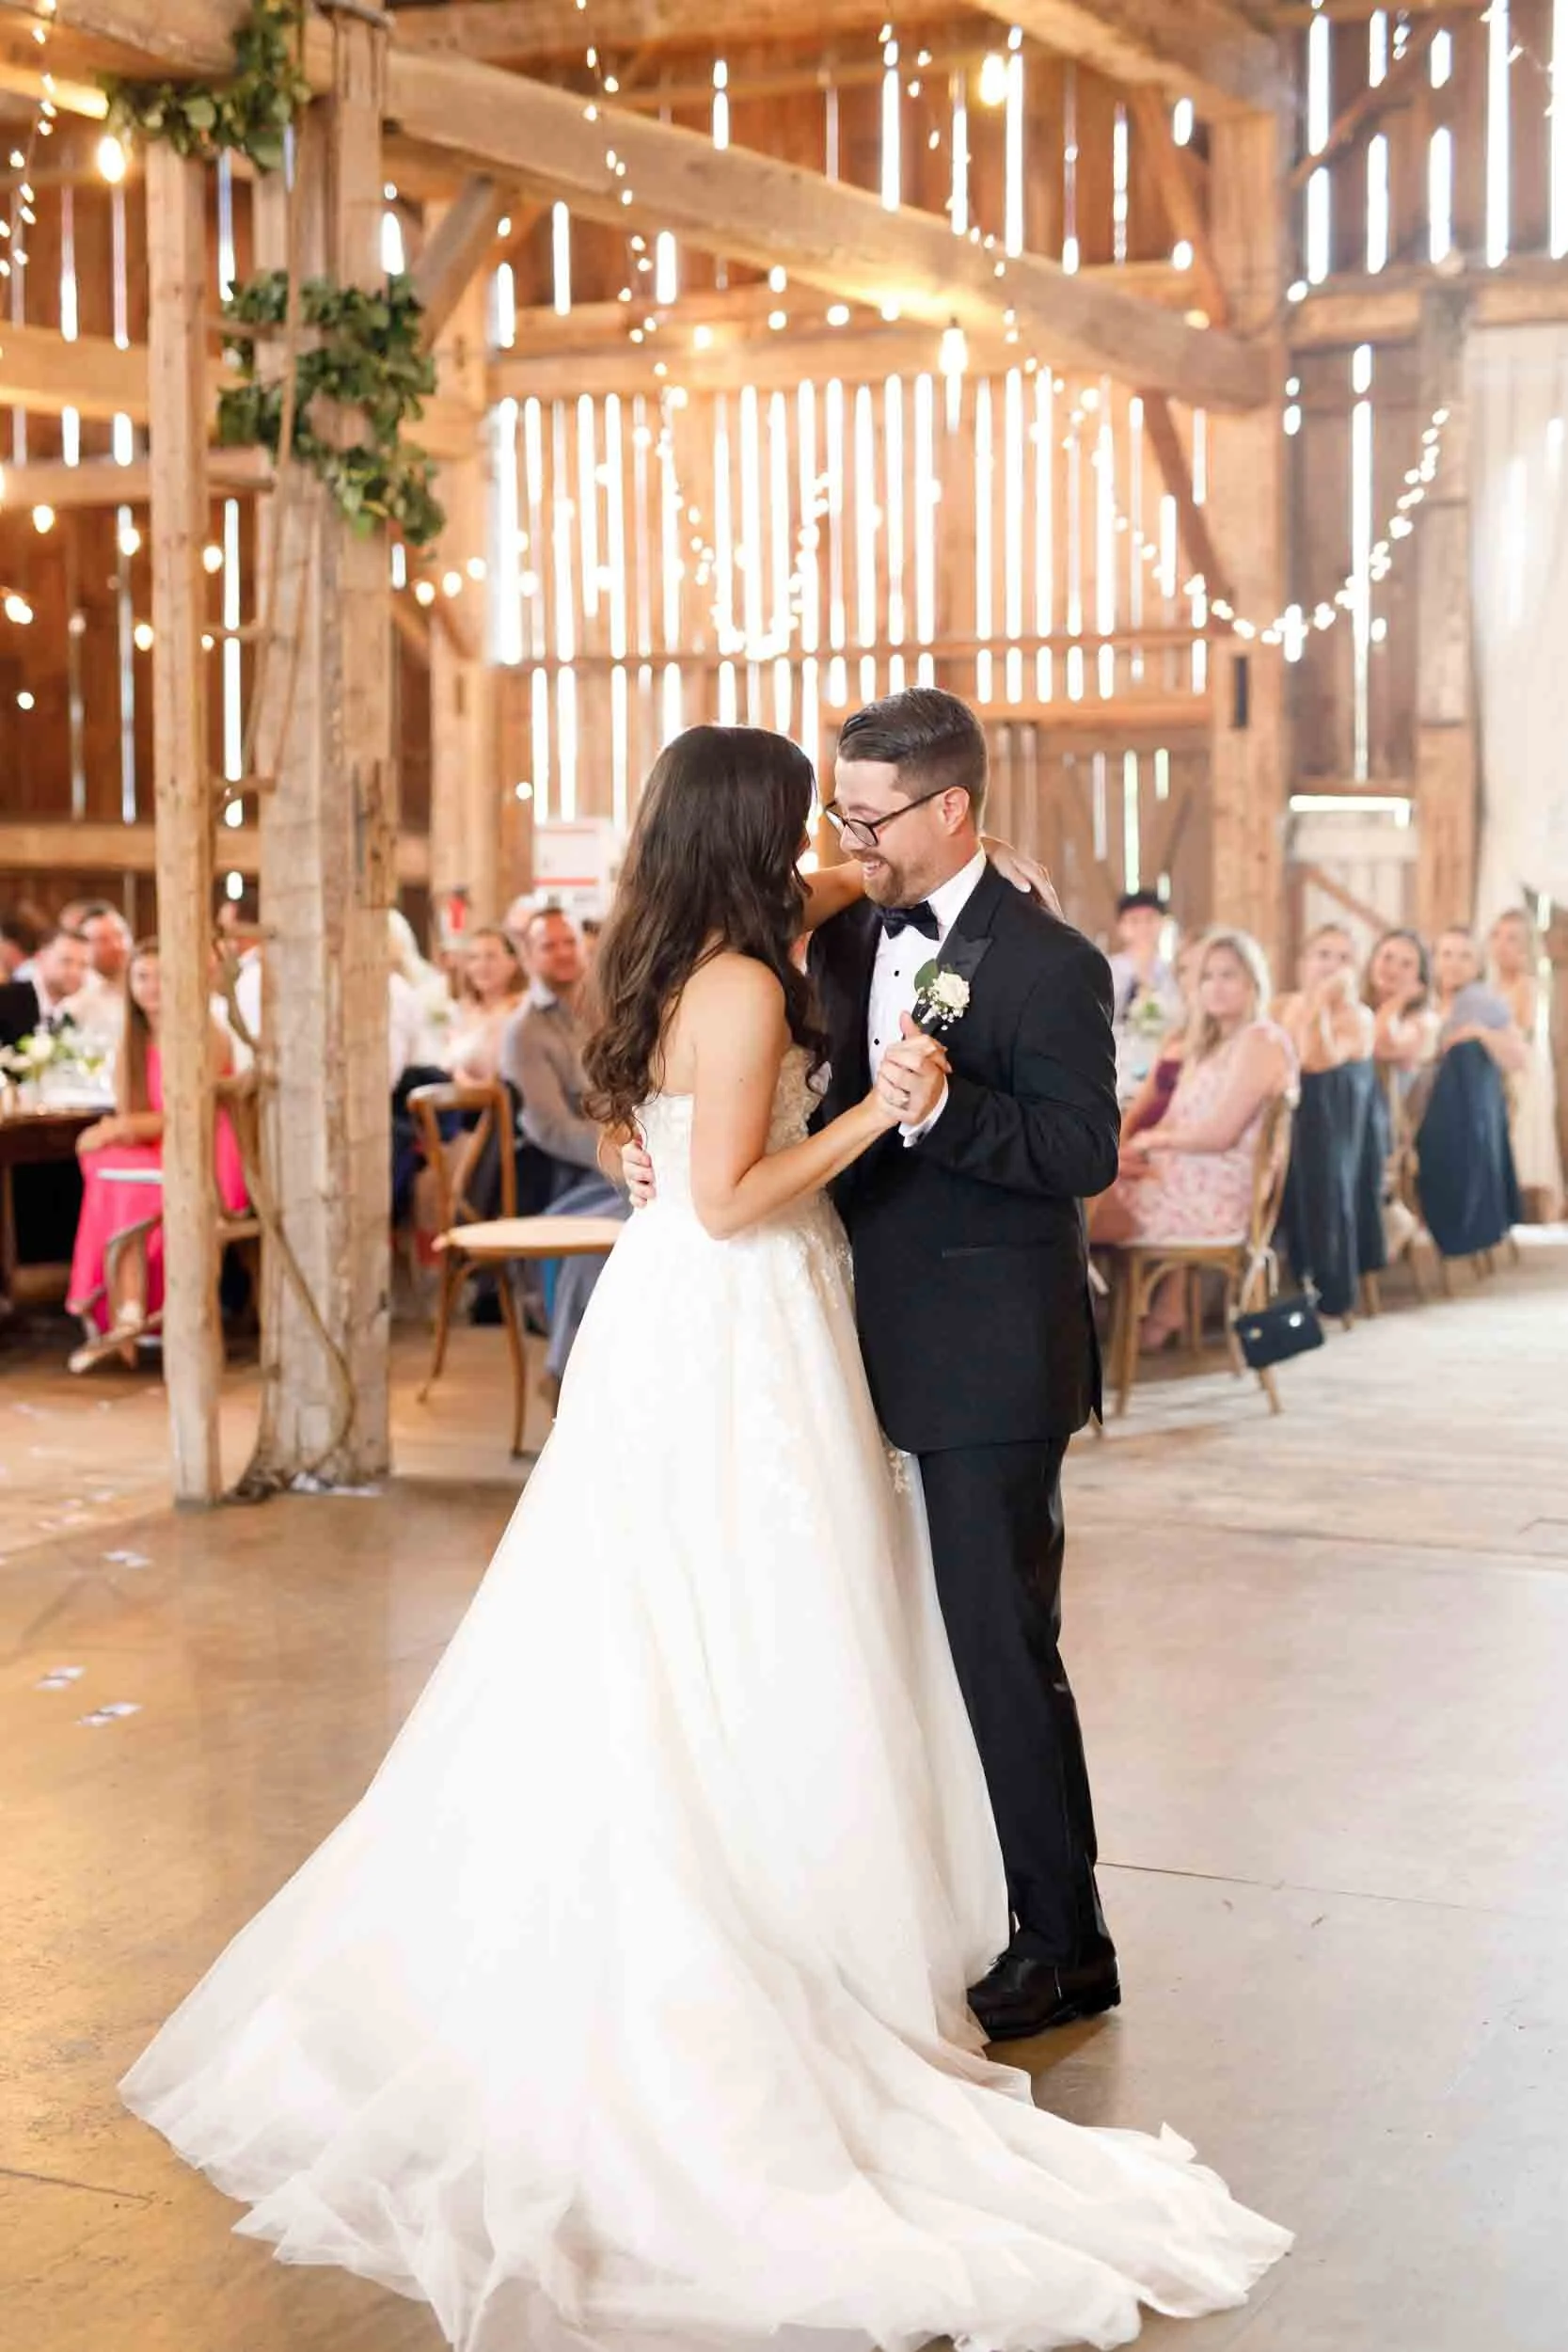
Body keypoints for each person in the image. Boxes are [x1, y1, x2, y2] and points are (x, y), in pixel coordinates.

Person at [121, 723, 1289, 2352]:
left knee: (972, 1636)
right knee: (763, 1631)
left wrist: (895, 1112)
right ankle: (800, 1921)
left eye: (870, 815)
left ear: (942, 810)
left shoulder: (1002, 952)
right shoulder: (785, 949)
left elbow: (1075, 1151)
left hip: (933, 1345)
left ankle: (1053, 1936)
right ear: (766, 834)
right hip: (760, 1310)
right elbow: (730, 1173)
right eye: (826, 817)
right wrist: (856, 1119)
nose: (845, 840)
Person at [1100, 929, 1296, 1346]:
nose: (1215, 986)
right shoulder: (1207, 1045)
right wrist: (1137, 1150)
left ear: (1253, 982)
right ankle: (1114, 1319)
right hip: (1182, 1176)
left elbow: (1219, 1135)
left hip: (1216, 1195)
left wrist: (1151, 1143)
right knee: (1084, 1190)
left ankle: (1072, 1334)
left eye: (1229, 975)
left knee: (1077, 1209)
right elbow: (1173, 1121)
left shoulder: (1261, 1039)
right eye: (1207, 976)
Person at [65, 941, 248, 1373]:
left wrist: (117, 1128)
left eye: (160, 978)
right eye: (141, 978)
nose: (151, 989)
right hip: (154, 1150)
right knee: (106, 1167)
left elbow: (185, 1116)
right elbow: (131, 1110)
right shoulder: (133, 1040)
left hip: (204, 1150)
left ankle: (130, 1308)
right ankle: (130, 1309)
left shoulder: (206, 1034)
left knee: (115, 1169)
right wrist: (117, 1130)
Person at [499, 905, 628, 1402]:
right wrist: (614, 1151)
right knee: (601, 1240)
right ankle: (565, 1372)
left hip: (628, 1159)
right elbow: (547, 1127)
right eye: (548, 946)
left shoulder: (609, 1009)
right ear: (529, 958)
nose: (562, 954)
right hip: (570, 1177)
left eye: (568, 942)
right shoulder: (525, 1032)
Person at [1488, 906, 1563, 1220]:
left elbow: (1522, 1031)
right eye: (1498, 936)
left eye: (1513, 939)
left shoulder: (1526, 985)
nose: (1503, 945)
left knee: (1523, 1136)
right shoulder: (1491, 986)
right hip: (1498, 1067)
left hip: (1520, 1073)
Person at [1108, 886, 1183, 1104]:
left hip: (1164, 1053)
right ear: (1121, 927)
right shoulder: (1108, 969)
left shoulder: (1175, 971)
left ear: (1162, 924)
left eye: (1150, 919)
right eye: (1134, 921)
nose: (1143, 928)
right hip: (1121, 1057)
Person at [1273, 921, 1374, 1073]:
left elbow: (1313, 1062)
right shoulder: (1279, 1006)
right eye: (1323, 955)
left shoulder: (1359, 1018)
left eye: (1344, 959)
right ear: (1303, 964)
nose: (1332, 966)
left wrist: (1320, 1000)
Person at [1432, 925, 1528, 1078]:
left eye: (1465, 956)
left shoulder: (1486, 1003)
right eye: (1446, 954)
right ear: (1434, 960)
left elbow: (1519, 1058)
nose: (1454, 963)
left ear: (1478, 966)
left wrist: (1479, 1033)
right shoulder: (1428, 1002)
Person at [445, 924, 526, 1084]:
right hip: (459, 1095)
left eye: (491, 957)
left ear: (513, 963)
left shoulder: (522, 1009)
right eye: (474, 958)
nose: (482, 965)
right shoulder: (462, 1010)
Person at [11, 924, 90, 1024]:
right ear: (40, 958)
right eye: (66, 961)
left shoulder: (69, 1021)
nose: (75, 972)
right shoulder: (7, 1002)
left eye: (83, 965)